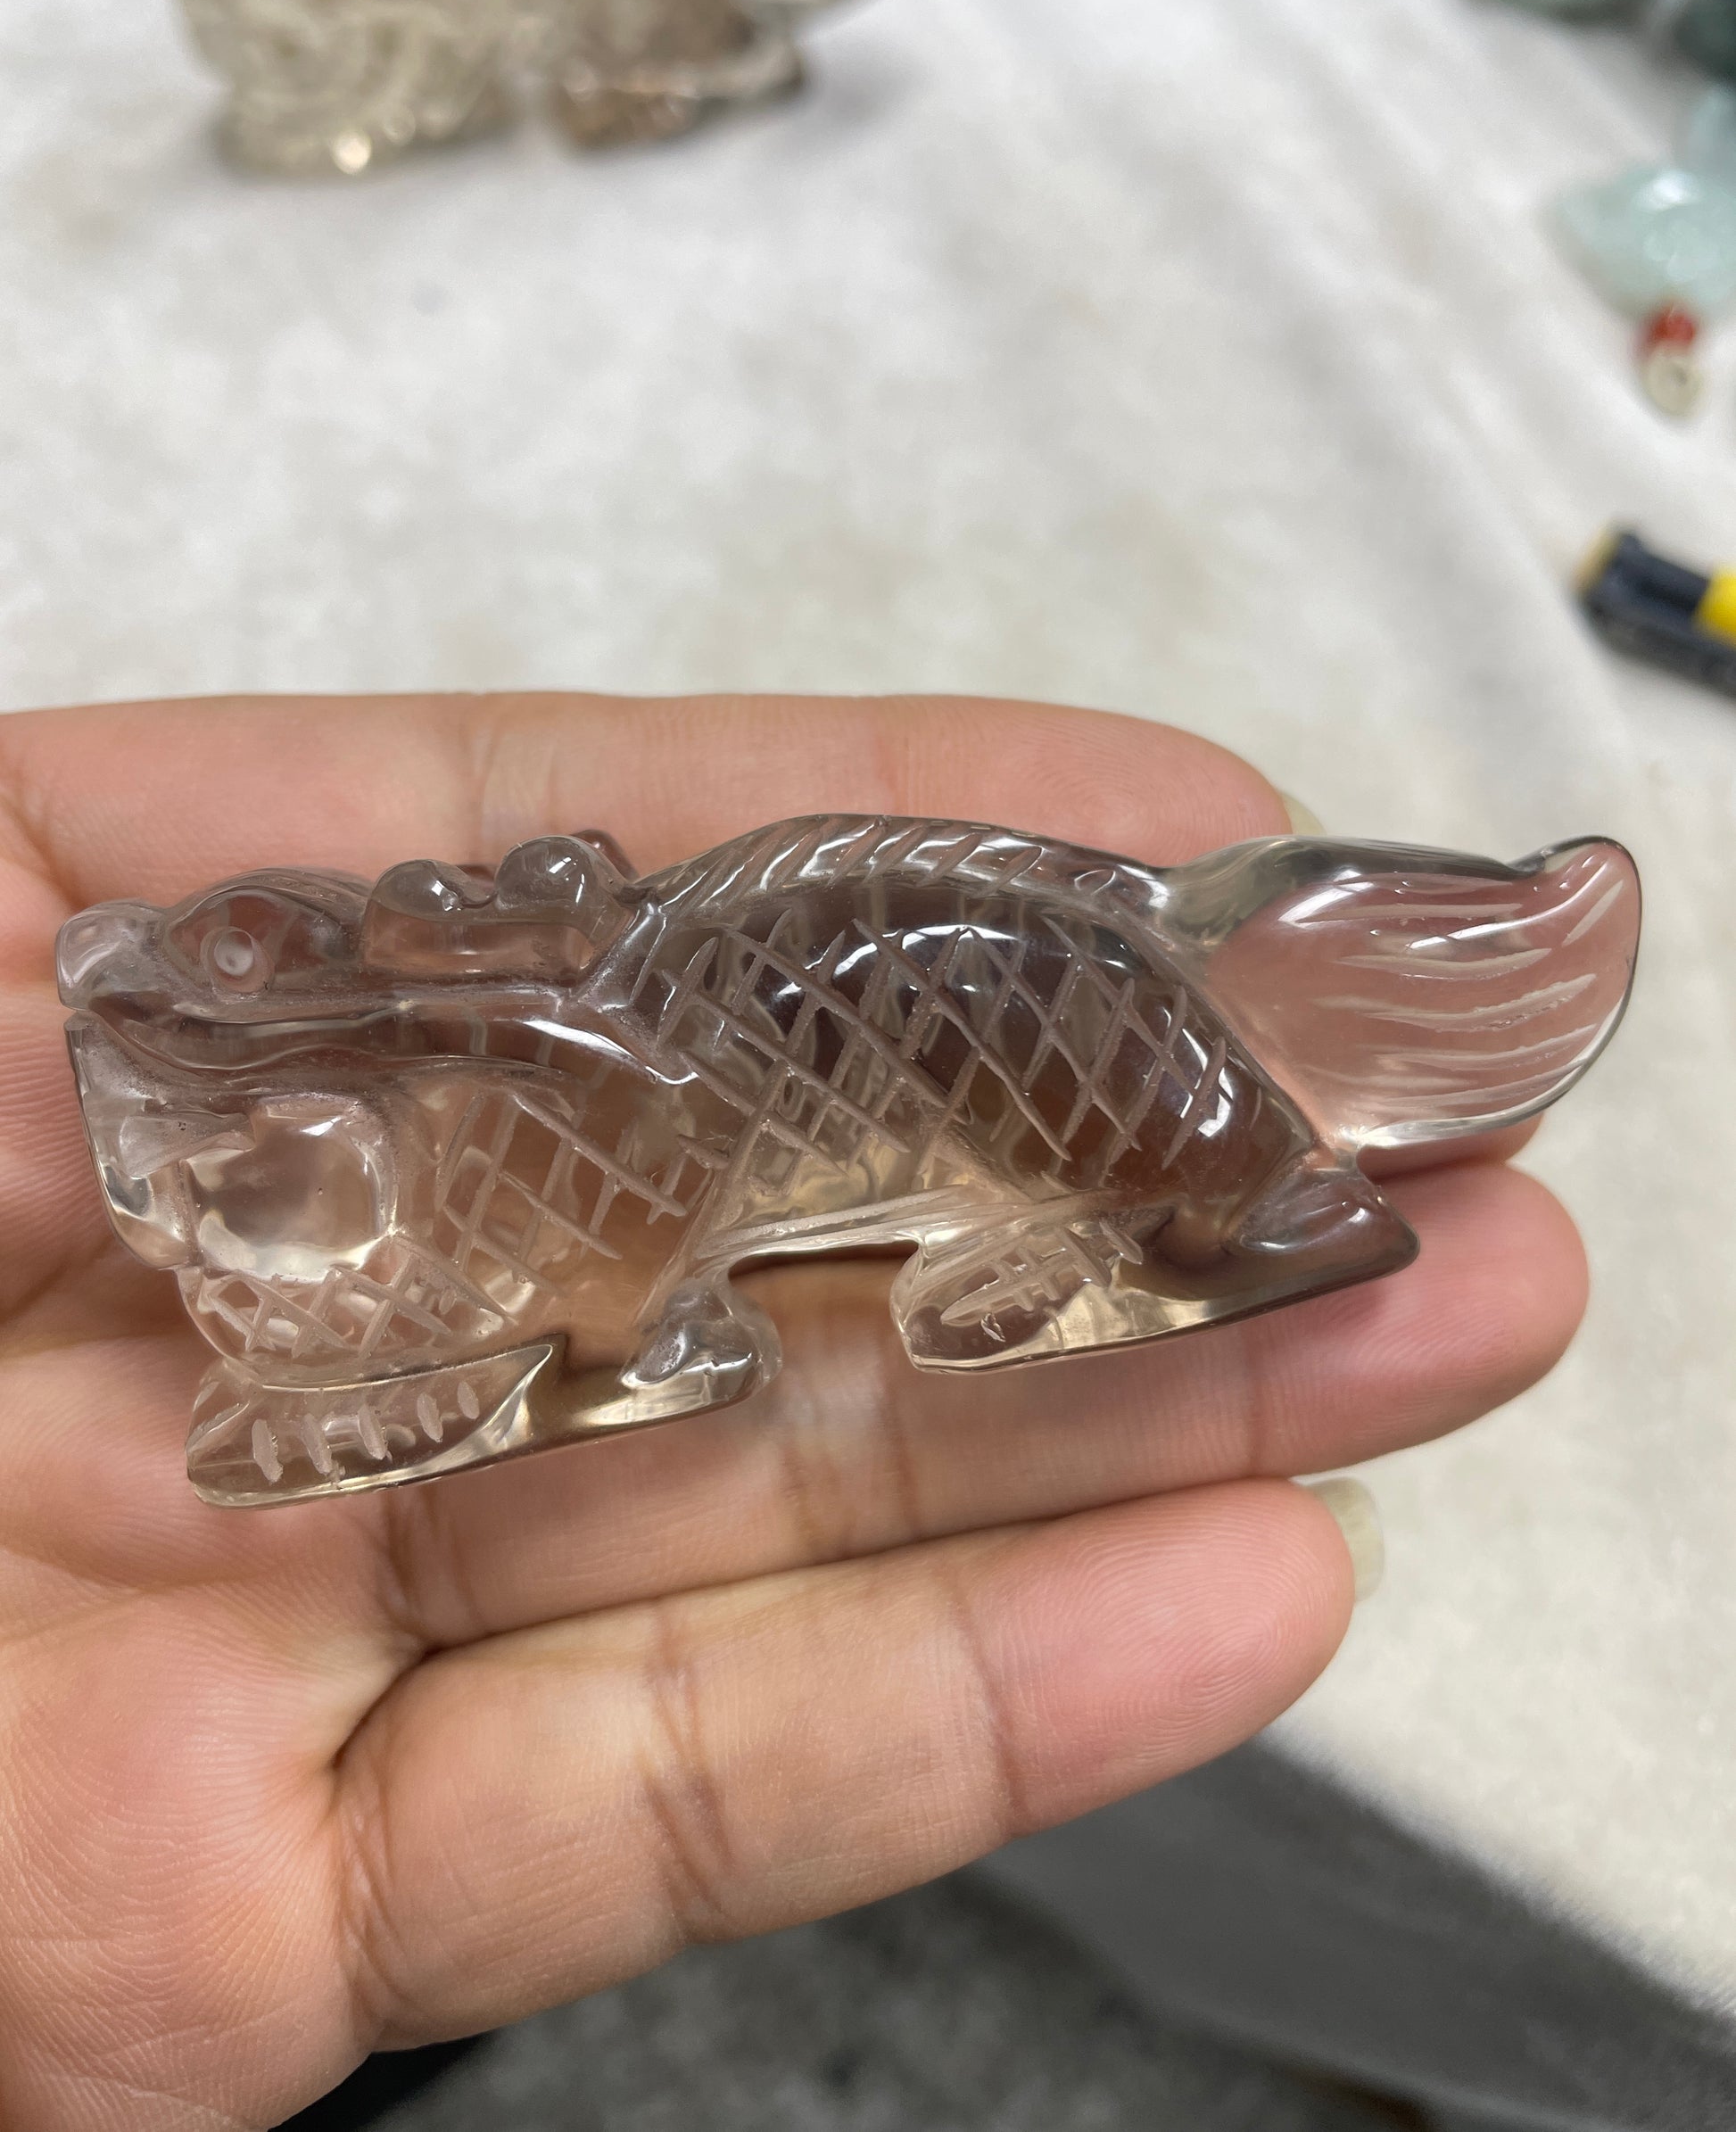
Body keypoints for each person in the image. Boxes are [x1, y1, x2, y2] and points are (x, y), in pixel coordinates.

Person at [0, 694, 1586, 2130]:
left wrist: (570, 1338)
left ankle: (1199, 1196)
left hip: (1104, 1091)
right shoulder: (492, 1101)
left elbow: (636, 1269)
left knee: (1137, 1137)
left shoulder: (563, 1089)